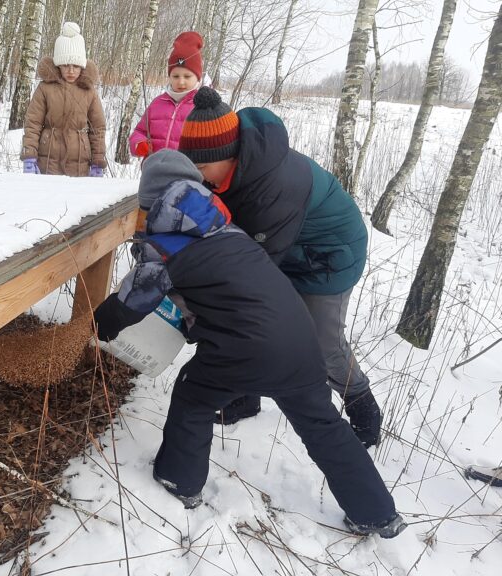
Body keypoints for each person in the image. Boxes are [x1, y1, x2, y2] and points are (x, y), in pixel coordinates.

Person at [92, 149, 406, 538]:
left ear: (152, 203)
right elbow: (230, 294)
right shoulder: (229, 230)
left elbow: (131, 302)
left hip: (245, 350)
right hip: (301, 343)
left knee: (193, 397)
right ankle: (377, 513)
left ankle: (179, 481)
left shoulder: (166, 247)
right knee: (323, 425)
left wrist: (96, 326)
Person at [177, 87, 381, 448]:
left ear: (228, 154)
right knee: (254, 323)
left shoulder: (272, 187)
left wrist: (205, 310)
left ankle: (363, 407)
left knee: (321, 340)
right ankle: (246, 396)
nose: (198, 175)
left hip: (329, 254)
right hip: (285, 244)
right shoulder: (230, 172)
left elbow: (251, 280)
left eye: (202, 167)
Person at [21, 22, 106, 177]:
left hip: (79, 165)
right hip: (47, 163)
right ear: (58, 65)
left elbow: (98, 129)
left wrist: (98, 162)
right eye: (66, 65)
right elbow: (33, 123)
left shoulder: (89, 92)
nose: (71, 71)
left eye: (76, 65)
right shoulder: (45, 88)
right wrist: (29, 156)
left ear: (82, 66)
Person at [128, 31, 204, 158]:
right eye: (175, 76)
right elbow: (140, 131)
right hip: (153, 170)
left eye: (187, 76)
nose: (181, 81)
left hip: (186, 173)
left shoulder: (201, 108)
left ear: (197, 77)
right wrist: (138, 143)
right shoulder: (157, 103)